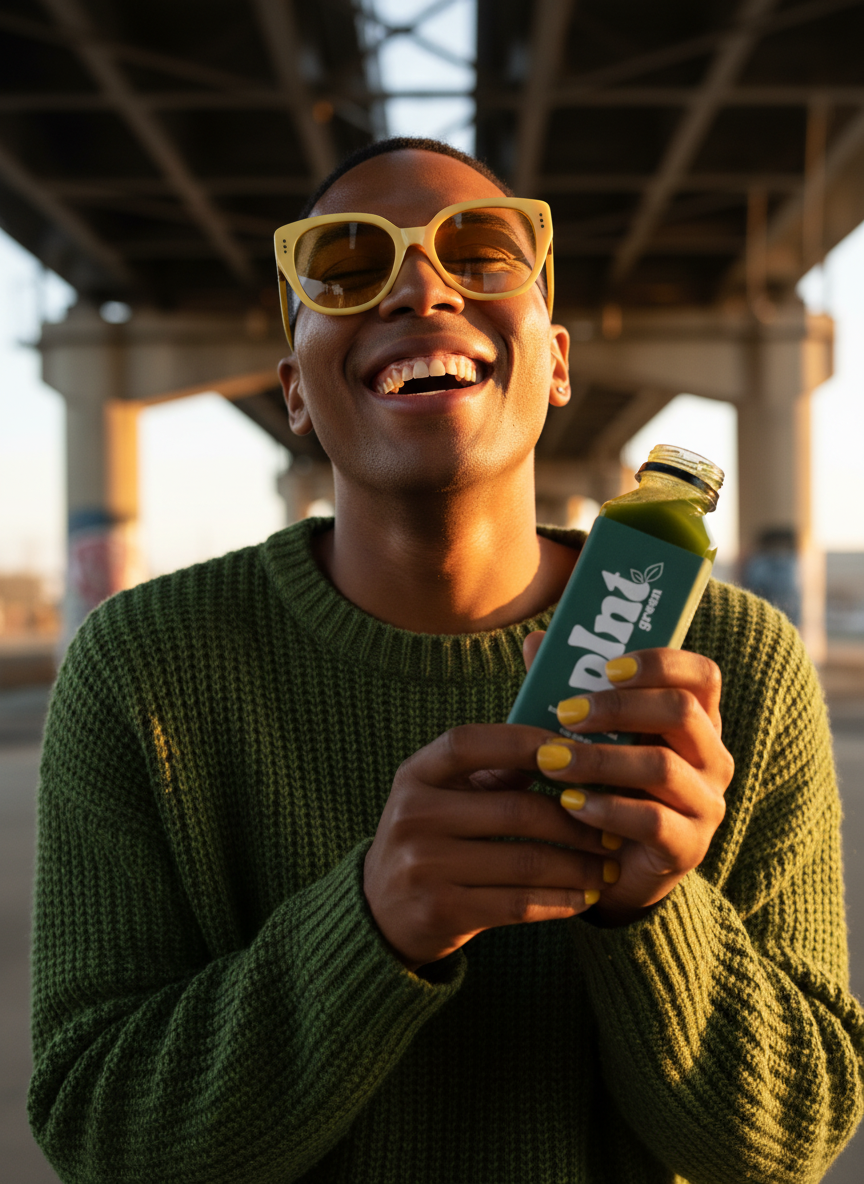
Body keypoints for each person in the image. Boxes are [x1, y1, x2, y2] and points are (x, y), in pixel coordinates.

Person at [29, 137, 863, 1184]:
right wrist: (371, 927)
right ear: (294, 388)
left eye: (482, 257)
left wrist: (658, 911)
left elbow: (786, 1143)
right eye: (346, 266)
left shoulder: (738, 664)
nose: (422, 287)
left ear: (557, 360)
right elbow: (98, 1132)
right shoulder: (141, 668)